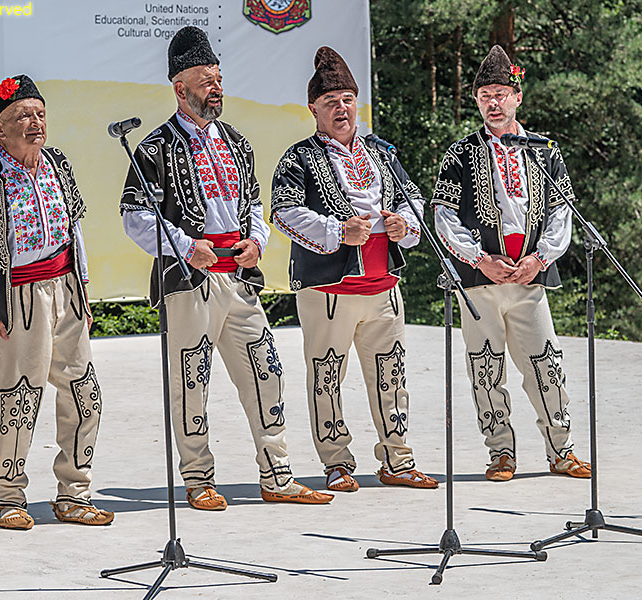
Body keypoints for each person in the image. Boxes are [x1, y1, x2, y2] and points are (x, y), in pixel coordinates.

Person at [121, 26, 333, 511]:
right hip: (190, 278)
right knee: (190, 379)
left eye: (218, 78)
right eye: (206, 80)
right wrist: (183, 246)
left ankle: (278, 475)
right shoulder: (155, 147)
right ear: (181, 88)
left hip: (237, 277)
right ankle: (198, 479)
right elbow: (134, 215)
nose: (216, 87)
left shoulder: (237, 142)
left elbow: (254, 203)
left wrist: (257, 241)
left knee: (266, 370)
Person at [270, 46, 438, 493]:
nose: (341, 108)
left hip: (384, 286)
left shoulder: (381, 152)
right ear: (314, 109)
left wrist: (405, 223)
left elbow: (413, 198)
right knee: (327, 377)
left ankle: (398, 460)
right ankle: (336, 462)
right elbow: (283, 212)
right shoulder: (299, 157)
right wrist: (337, 230)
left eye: (347, 99)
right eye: (331, 102)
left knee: (392, 375)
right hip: (330, 289)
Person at [0, 75, 113, 529]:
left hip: (65, 289)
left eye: (40, 113)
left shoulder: (58, 163)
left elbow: (74, 228)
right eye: (23, 115)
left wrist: (83, 290)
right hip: (12, 300)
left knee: (85, 392)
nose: (35, 122)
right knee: (13, 398)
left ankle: (74, 493)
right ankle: (9, 496)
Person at [432, 45, 591, 481]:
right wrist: (480, 259)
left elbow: (562, 212)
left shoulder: (544, 150)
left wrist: (540, 258)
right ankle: (501, 452)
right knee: (486, 368)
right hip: (480, 281)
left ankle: (562, 450)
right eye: (485, 95)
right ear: (477, 100)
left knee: (546, 363)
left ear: (517, 97)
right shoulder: (460, 153)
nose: (493, 102)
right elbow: (443, 216)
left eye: (500, 93)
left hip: (529, 279)